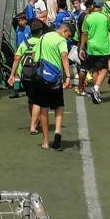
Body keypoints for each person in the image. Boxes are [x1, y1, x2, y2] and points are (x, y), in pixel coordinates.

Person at [31, 20, 72, 150]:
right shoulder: (61, 41)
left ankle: (45, 141)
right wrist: (68, 76)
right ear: (64, 31)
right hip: (55, 78)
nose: (68, 38)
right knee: (59, 104)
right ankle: (57, 130)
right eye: (68, 35)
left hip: (41, 77)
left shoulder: (43, 37)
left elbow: (33, 56)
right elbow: (64, 56)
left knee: (44, 108)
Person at [80, 0, 110, 104]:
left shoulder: (88, 17)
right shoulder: (105, 16)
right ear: (102, 7)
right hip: (103, 47)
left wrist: (81, 48)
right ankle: (96, 88)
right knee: (104, 69)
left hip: (91, 47)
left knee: (94, 69)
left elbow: (84, 33)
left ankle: (96, 91)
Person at [8, 19, 43, 117]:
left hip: (25, 74)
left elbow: (16, 58)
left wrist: (12, 74)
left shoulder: (24, 43)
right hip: (39, 74)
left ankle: (33, 119)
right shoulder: (42, 42)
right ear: (41, 31)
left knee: (31, 99)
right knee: (40, 98)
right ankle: (38, 119)